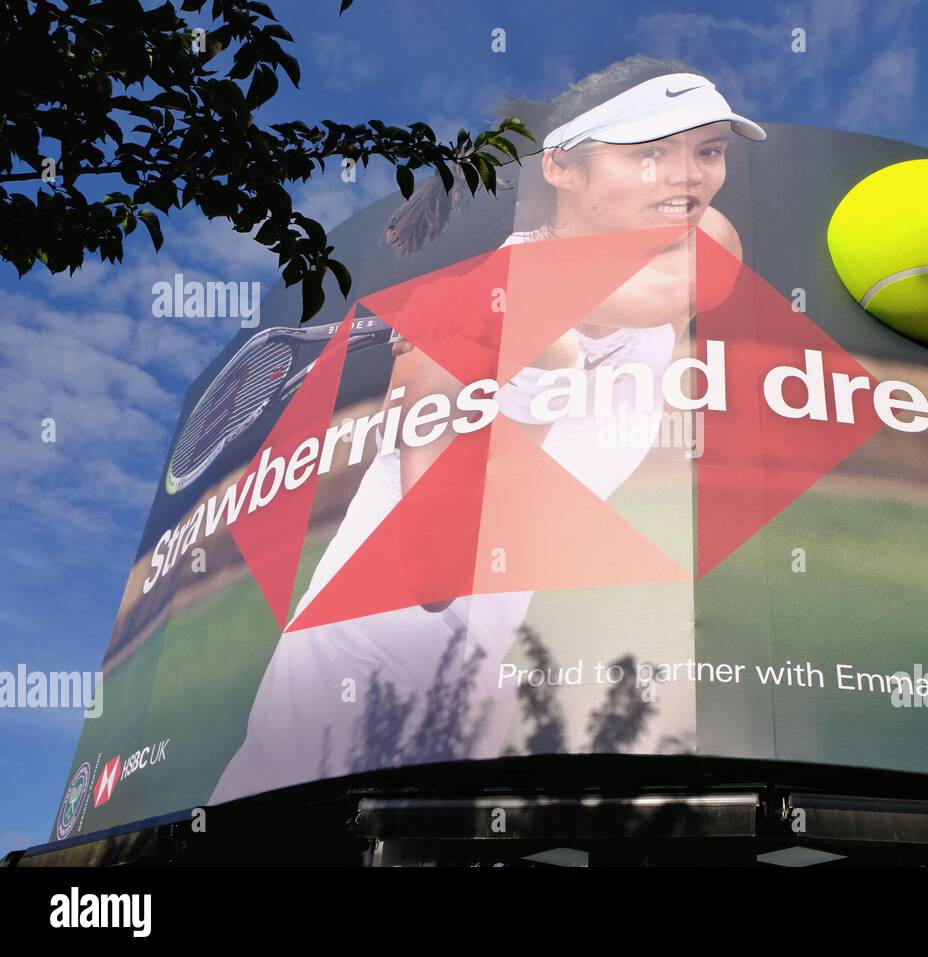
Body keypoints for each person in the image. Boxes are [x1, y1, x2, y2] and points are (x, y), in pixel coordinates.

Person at [209, 56, 765, 804]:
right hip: (351, 679)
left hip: (470, 687)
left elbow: (685, 282)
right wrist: (524, 384)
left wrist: (535, 316)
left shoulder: (689, 235)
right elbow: (435, 573)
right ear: (562, 169)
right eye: (650, 153)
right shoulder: (445, 347)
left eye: (708, 150)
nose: (690, 177)